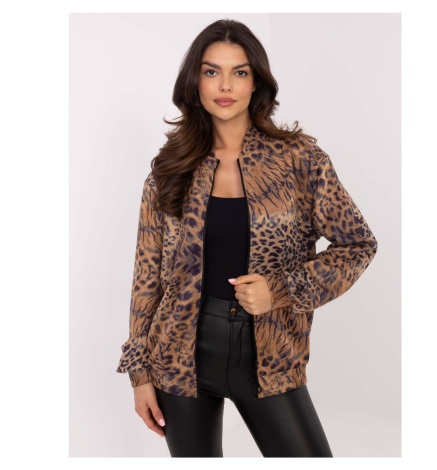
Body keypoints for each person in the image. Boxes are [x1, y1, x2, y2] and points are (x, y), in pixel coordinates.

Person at [116, 19, 378, 458]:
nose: (225, 85)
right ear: (195, 81)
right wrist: (140, 374)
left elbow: (358, 245)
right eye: (211, 71)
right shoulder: (170, 168)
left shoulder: (300, 160)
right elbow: (146, 276)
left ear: (256, 82)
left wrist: (281, 290)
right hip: (177, 358)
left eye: (239, 72)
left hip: (271, 355)